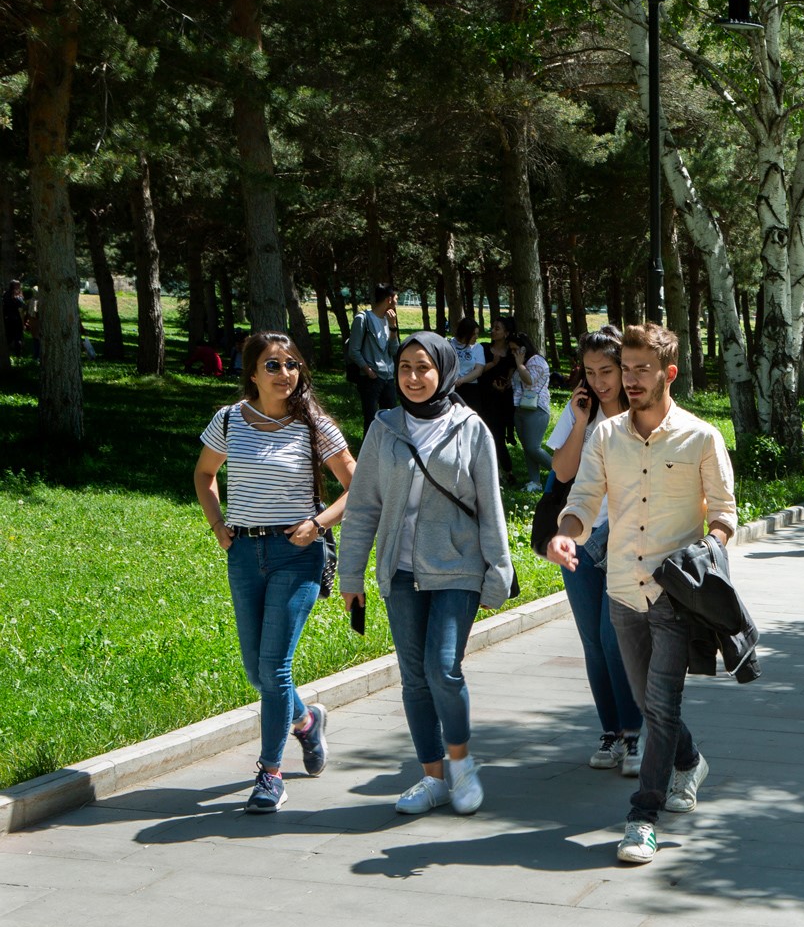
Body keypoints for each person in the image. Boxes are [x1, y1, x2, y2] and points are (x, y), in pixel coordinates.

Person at [546, 323, 736, 865]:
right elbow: (582, 498)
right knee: (650, 705)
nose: (628, 380)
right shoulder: (606, 437)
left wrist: (710, 546)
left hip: (676, 593)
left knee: (660, 702)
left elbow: (724, 513)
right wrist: (567, 530)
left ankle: (641, 816)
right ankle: (690, 759)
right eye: (623, 369)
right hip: (622, 592)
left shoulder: (702, 438)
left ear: (668, 374)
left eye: (640, 370)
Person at [338, 331, 513, 817]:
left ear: (443, 370)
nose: (413, 378)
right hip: (400, 570)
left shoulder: (471, 428)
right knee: (414, 678)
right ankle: (433, 777)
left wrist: (499, 569)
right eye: (405, 368)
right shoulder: (384, 428)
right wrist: (350, 574)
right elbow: (364, 506)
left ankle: (461, 763)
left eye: (423, 367)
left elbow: (489, 505)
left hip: (457, 567)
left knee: (443, 668)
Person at [193, 331, 356, 813]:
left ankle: (270, 774)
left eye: (291, 365)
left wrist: (318, 522)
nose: (285, 374)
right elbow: (204, 474)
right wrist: (219, 525)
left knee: (275, 667)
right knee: (256, 671)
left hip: (297, 553)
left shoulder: (315, 425)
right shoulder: (228, 420)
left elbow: (358, 484)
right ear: (251, 373)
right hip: (244, 554)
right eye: (272, 365)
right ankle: (306, 723)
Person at [547, 327, 644, 776]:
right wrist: (582, 419)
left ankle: (635, 732)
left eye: (608, 370)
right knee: (592, 641)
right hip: (582, 540)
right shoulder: (577, 412)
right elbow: (563, 471)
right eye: (591, 372)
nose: (602, 381)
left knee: (615, 638)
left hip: (626, 541)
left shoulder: (639, 415)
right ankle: (610, 732)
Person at [349, 285, 401, 432]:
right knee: (371, 421)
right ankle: (369, 453)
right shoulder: (363, 319)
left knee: (391, 421)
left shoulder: (390, 320)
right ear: (389, 299)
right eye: (396, 298)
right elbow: (354, 350)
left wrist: (393, 328)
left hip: (388, 378)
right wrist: (368, 370)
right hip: (370, 378)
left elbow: (394, 350)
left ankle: (389, 452)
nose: (397, 301)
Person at [476, 317, 519, 487]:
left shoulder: (510, 354)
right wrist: (492, 366)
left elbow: (510, 374)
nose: (493, 331)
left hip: (502, 400)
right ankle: (493, 472)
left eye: (497, 328)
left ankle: (507, 471)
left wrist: (505, 384)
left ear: (506, 333)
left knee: (498, 436)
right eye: (493, 327)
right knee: (485, 436)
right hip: (484, 396)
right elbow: (478, 371)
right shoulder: (484, 348)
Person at [510, 332, 552, 492]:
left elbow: (529, 380)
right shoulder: (523, 362)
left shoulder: (536, 362)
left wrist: (520, 365)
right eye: (511, 350)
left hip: (536, 409)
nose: (513, 353)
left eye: (515, 349)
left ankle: (563, 474)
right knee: (527, 448)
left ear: (524, 348)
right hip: (521, 409)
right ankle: (535, 481)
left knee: (533, 447)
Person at [449, 317, 487, 409]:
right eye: (473, 334)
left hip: (470, 389)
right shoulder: (449, 344)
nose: (476, 337)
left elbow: (478, 371)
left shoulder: (478, 348)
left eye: (477, 334)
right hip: (450, 386)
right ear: (464, 333)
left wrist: (461, 380)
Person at [2, 280, 23, 353]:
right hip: (12, 317)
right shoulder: (11, 294)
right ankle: (15, 351)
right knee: (13, 335)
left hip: (10, 317)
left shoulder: (8, 294)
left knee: (15, 335)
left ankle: (16, 351)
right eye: (17, 285)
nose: (19, 287)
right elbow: (21, 304)